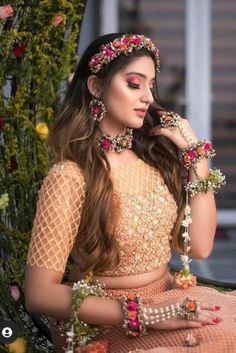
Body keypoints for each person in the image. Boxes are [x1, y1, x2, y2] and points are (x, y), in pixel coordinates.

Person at [25, 33, 236, 353]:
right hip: (104, 319)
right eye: (135, 84)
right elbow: (40, 294)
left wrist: (197, 160)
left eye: (151, 85)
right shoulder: (70, 176)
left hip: (169, 297)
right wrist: (147, 314)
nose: (148, 97)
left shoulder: (152, 160)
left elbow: (200, 247)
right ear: (96, 87)